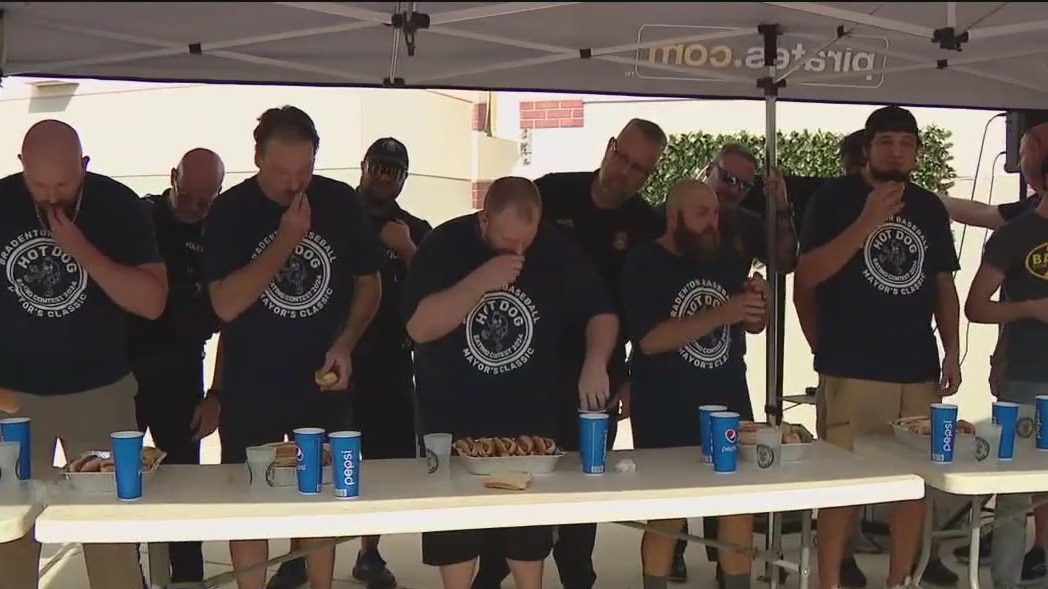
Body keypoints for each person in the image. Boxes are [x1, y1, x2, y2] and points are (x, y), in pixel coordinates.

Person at [472, 117, 666, 589]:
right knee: (516, 474)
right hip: (525, 362)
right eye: (622, 157)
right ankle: (494, 570)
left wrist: (631, 379)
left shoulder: (647, 225)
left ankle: (578, 576)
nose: (624, 171)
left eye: (638, 168)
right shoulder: (552, 194)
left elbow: (651, 315)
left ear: (649, 175)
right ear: (609, 146)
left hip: (599, 370)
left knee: (584, 480)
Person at [402, 176, 619, 589]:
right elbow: (419, 326)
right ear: (484, 219)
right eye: (507, 240)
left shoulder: (552, 249)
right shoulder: (444, 246)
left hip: (527, 431)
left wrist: (595, 360)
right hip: (453, 427)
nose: (519, 251)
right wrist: (481, 280)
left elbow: (601, 311)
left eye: (527, 241)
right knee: (457, 542)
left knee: (527, 544)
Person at [202, 106, 384, 589]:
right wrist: (286, 240)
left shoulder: (340, 202)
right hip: (252, 384)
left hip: (320, 382)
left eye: (304, 170)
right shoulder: (231, 212)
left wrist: (346, 343)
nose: (294, 183)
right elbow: (226, 303)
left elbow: (370, 284)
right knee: (250, 501)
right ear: (257, 158)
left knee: (319, 497)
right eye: (282, 172)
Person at [795, 106, 961, 589]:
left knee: (912, 487)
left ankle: (899, 580)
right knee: (841, 486)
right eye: (887, 141)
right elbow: (806, 277)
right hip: (852, 366)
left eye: (907, 143)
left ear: (917, 152)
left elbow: (942, 286)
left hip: (916, 367)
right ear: (867, 148)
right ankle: (828, 581)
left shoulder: (929, 207)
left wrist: (951, 352)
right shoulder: (833, 200)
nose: (897, 151)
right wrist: (867, 220)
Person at [0, 120, 168, 589]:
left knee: (109, 532)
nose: (53, 197)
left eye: (65, 183)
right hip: (12, 397)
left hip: (99, 390)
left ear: (85, 166)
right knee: (7, 537)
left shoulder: (116, 205)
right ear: (21, 167)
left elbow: (152, 302)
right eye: (40, 185)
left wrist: (81, 249)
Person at [270, 137, 430, 589]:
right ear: (363, 166)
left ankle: (370, 554)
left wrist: (406, 248)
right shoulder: (333, 214)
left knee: (378, 467)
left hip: (390, 365)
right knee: (313, 462)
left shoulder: (415, 228)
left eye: (394, 170)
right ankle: (299, 557)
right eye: (378, 166)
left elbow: (435, 297)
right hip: (330, 360)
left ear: (404, 177)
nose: (384, 176)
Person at [622, 179, 768, 589]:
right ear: (674, 216)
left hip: (727, 400)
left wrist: (758, 305)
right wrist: (724, 313)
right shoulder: (644, 262)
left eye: (716, 213)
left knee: (738, 506)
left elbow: (753, 324)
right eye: (702, 213)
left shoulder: (723, 260)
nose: (712, 223)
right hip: (665, 408)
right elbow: (649, 340)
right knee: (668, 514)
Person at [126, 148, 225, 584]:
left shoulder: (221, 233)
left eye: (208, 197)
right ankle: (129, 576)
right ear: (172, 179)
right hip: (124, 372)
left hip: (182, 375)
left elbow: (236, 320)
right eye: (189, 195)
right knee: (122, 489)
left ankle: (187, 580)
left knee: (184, 493)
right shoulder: (139, 219)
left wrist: (216, 395)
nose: (197, 207)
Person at [963, 128, 1048, 589]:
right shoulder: (1014, 236)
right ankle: (1005, 582)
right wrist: (1031, 309)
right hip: (1028, 378)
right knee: (1016, 492)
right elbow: (975, 306)